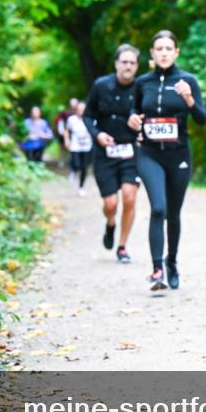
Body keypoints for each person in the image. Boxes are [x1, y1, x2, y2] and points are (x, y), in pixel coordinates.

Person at [127, 30, 206, 290]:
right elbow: (134, 111)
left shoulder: (187, 80)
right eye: (158, 48)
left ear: (176, 52)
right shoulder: (142, 83)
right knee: (157, 208)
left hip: (179, 156)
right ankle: (157, 269)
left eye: (168, 48)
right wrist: (133, 119)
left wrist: (188, 98)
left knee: (173, 213)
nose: (163, 52)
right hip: (150, 154)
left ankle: (172, 262)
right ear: (152, 53)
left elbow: (202, 119)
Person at [84, 44, 142, 263]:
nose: (128, 66)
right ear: (117, 64)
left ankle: (122, 246)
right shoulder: (101, 86)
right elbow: (88, 116)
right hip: (105, 153)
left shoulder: (141, 88)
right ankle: (110, 224)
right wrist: (97, 135)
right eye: (124, 62)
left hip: (130, 152)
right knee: (111, 204)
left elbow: (149, 116)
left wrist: (142, 130)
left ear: (137, 66)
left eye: (132, 63)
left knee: (129, 197)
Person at [65, 101, 93, 196]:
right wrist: (67, 140)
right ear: (76, 110)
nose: (81, 111)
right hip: (75, 145)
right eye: (79, 109)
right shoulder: (71, 119)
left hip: (87, 146)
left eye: (83, 109)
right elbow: (66, 130)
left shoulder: (90, 119)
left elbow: (95, 130)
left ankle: (81, 187)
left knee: (84, 168)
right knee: (77, 164)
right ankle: (73, 171)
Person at [55, 98, 79, 169]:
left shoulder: (81, 112)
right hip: (66, 134)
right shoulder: (66, 113)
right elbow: (60, 123)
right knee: (63, 148)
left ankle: (72, 162)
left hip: (76, 135)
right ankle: (62, 161)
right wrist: (63, 134)